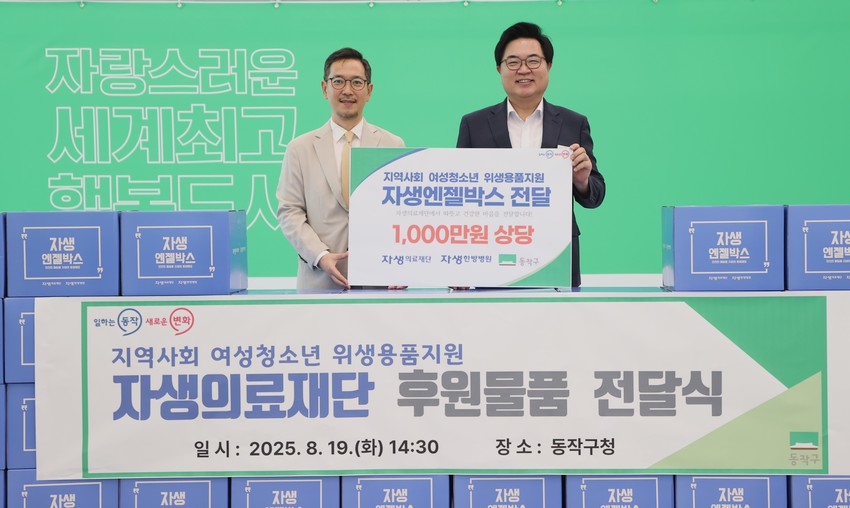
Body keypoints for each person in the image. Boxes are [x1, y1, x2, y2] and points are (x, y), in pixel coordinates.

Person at [457, 22, 605, 287]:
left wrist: (582, 180)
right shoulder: (473, 124)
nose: (523, 69)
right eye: (513, 62)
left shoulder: (574, 123)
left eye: (533, 61)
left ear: (548, 66)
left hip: (556, 256)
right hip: (489, 252)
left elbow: (595, 195)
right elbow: (459, 195)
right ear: (499, 69)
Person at [277, 48, 405, 290]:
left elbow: (402, 212)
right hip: (319, 282)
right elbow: (289, 211)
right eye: (338, 81)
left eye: (357, 82)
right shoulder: (300, 148)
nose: (347, 90)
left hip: (380, 283)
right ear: (325, 88)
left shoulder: (392, 145)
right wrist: (320, 256)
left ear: (369, 90)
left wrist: (400, 266)